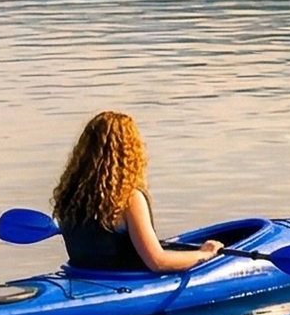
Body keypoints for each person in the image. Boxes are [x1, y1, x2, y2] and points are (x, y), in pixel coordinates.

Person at [51, 110, 224, 273]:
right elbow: (157, 262)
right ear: (130, 151)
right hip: (125, 282)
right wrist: (205, 254)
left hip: (82, 275)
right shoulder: (128, 198)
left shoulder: (70, 195)